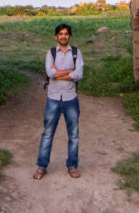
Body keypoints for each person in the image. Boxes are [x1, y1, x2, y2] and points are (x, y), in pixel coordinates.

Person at [33, 23, 83, 179]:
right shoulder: (51, 53)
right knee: (48, 133)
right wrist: (70, 71)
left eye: (66, 34)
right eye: (60, 34)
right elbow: (50, 73)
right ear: (56, 36)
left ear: (70, 36)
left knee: (73, 134)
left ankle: (72, 165)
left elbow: (79, 74)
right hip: (53, 98)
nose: (63, 36)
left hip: (70, 98)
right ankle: (42, 166)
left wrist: (58, 73)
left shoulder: (76, 53)